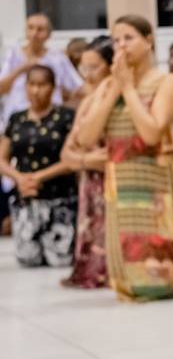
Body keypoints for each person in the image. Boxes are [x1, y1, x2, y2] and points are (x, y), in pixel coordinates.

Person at [76, 15, 173, 301]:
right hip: (120, 177)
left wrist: (128, 89)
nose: (121, 45)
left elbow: (152, 133)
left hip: (155, 179)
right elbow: (85, 138)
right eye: (116, 40)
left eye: (128, 38)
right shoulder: (108, 85)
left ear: (148, 41)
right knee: (128, 271)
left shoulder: (167, 82)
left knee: (160, 276)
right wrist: (115, 88)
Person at [0, 66, 77, 267]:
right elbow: (2, 159)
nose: (36, 90)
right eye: (31, 84)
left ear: (52, 88)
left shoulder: (66, 117)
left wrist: (38, 177)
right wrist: (19, 177)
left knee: (60, 260)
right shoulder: (17, 119)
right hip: (26, 196)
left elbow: (72, 159)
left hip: (60, 197)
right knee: (28, 259)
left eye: (42, 85)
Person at [61, 36, 113, 288]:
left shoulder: (116, 96)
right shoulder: (86, 102)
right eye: (84, 68)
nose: (88, 75)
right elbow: (66, 153)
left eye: (94, 67)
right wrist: (85, 159)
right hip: (90, 177)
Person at [0, 13, 83, 128]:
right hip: (16, 122)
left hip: (51, 122)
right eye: (31, 28)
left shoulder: (57, 58)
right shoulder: (13, 55)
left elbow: (78, 88)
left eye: (40, 30)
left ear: (49, 35)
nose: (34, 34)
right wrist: (21, 69)